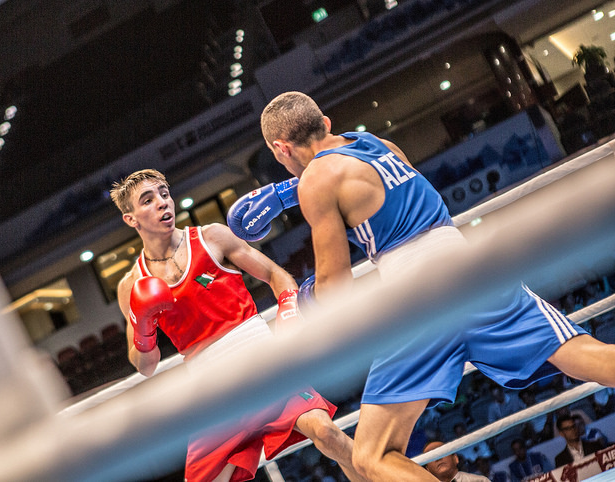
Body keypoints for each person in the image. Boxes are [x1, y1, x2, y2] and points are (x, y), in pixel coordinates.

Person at [237, 91, 615, 481]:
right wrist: (288, 192)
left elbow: (335, 289)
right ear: (327, 123)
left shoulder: (316, 180)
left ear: (281, 148)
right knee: (592, 358)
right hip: (472, 271)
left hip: (419, 306)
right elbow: (375, 195)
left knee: (372, 456)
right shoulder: (377, 145)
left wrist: (303, 299)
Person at [110, 169, 363, 482]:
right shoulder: (132, 285)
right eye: (147, 200)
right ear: (130, 219)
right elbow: (145, 366)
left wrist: (288, 316)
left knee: (327, 435)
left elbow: (277, 276)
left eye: (164, 193)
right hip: (213, 393)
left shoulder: (211, 237)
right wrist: (144, 326)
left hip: (262, 363)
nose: (162, 203)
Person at [423, 441, 490, 481]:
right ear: (428, 469)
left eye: (442, 453)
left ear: (455, 458)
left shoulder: (480, 481)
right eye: (432, 457)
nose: (438, 459)